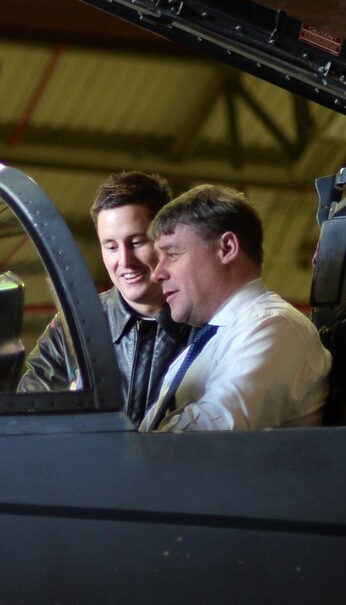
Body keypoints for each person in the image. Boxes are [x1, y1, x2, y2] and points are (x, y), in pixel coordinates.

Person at [138, 184, 329, 432]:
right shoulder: (208, 341)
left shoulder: (274, 327)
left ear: (226, 248)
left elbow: (211, 436)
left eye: (172, 254)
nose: (157, 274)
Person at [19, 172, 191, 426]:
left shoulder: (205, 322)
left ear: (167, 239)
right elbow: (27, 416)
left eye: (136, 242)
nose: (124, 261)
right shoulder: (73, 327)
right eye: (111, 247)